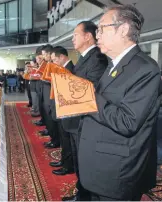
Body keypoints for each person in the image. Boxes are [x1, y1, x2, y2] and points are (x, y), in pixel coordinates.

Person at [78, 5, 161, 201]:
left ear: (123, 29)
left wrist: (88, 96)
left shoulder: (145, 69)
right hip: (100, 166)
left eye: (101, 28)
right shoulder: (114, 64)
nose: (97, 35)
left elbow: (127, 121)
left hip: (117, 173)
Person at [62, 20, 108, 201]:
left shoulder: (97, 58)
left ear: (88, 36)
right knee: (79, 160)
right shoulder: (84, 58)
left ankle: (86, 196)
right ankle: (82, 193)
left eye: (75, 35)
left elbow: (92, 89)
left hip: (85, 120)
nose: (72, 39)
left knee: (86, 162)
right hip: (77, 119)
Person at [49, 46, 75, 176]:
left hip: (67, 111)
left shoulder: (70, 69)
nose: (53, 63)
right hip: (61, 109)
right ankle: (64, 161)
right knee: (64, 139)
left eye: (55, 60)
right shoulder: (62, 69)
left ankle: (68, 166)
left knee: (67, 140)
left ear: (62, 57)